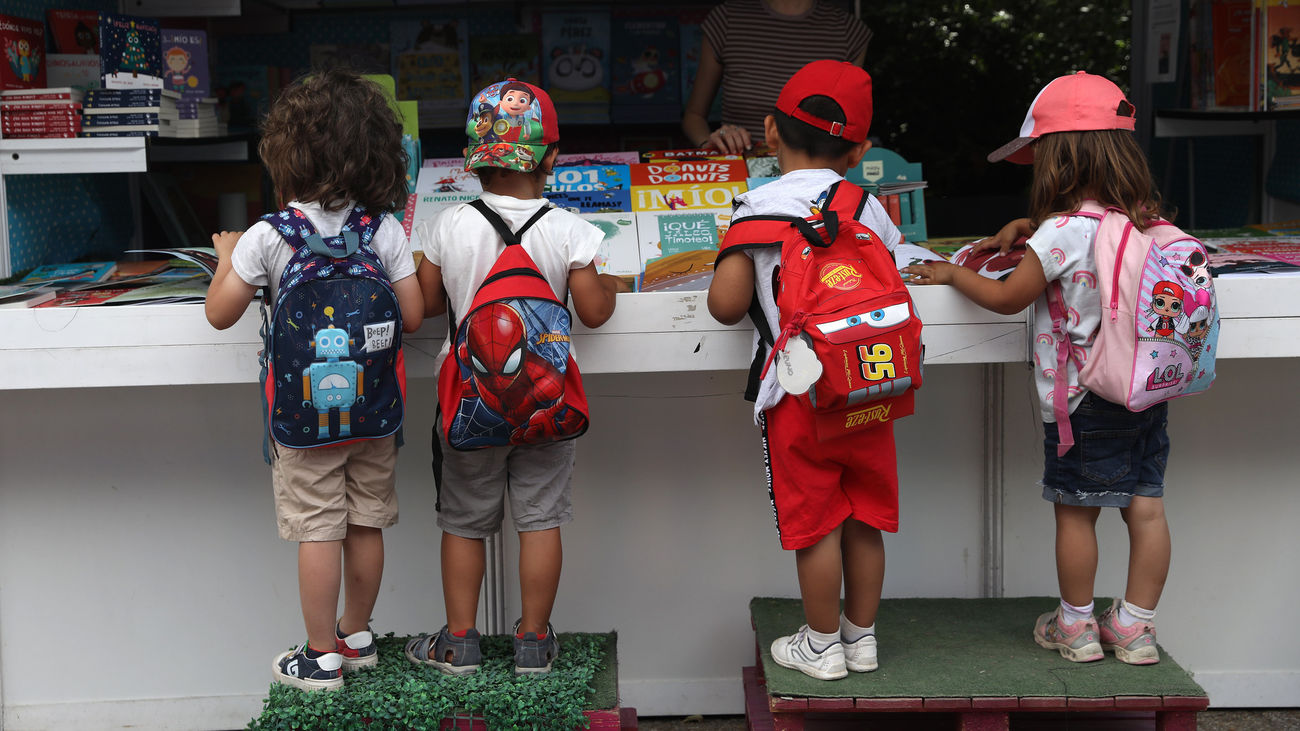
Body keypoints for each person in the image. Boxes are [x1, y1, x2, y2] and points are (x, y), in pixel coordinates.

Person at [902, 72, 1172, 666]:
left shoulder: (1063, 232)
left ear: (1058, 161)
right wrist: (1031, 234)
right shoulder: (1143, 219)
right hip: (1144, 389)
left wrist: (951, 273)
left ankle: (1075, 627)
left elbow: (1008, 296)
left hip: (1083, 401)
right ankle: (1134, 627)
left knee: (1077, 512)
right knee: (1145, 507)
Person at [205, 67, 424, 690]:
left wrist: (225, 259)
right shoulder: (384, 230)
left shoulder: (268, 236)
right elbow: (410, 314)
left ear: (286, 153)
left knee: (317, 529)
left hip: (303, 425)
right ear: (377, 152)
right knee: (365, 522)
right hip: (375, 414)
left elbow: (220, 313)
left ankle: (320, 654)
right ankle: (357, 635)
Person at [405, 78, 628, 676]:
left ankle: (459, 642)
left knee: (463, 522)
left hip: (470, 401)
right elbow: (596, 311)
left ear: (475, 160)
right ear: (551, 157)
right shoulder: (569, 228)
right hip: (544, 406)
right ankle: (532, 641)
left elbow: (426, 305)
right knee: (540, 519)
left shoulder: (449, 225)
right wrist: (605, 278)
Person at [707, 60, 902, 680]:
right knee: (865, 515)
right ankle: (860, 638)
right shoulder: (866, 206)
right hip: (870, 380)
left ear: (769, 132)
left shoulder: (756, 206)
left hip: (798, 391)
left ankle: (820, 646)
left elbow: (726, 304)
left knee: (817, 521)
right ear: (860, 149)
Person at [682, 0, 872, 154]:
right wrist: (712, 144)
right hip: (739, 176)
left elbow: (850, 128)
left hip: (814, 182)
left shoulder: (848, 31)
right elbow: (694, 116)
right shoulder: (727, 20)